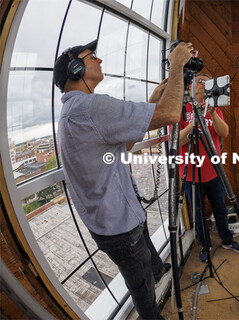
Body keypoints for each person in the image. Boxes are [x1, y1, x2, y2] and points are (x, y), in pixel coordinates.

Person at [53, 39, 193, 320]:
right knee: (140, 285)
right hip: (118, 227)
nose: (100, 61)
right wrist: (177, 65)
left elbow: (126, 143)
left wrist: (152, 100)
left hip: (118, 218)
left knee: (147, 262)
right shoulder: (90, 107)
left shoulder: (74, 112)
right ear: (76, 68)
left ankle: (158, 272)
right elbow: (169, 114)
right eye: (92, 57)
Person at [178, 73, 239, 262]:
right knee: (198, 214)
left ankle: (227, 240)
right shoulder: (182, 109)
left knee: (220, 209)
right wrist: (194, 122)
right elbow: (178, 141)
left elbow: (224, 133)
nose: (201, 95)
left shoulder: (214, 109)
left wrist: (213, 113)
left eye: (205, 90)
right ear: (191, 88)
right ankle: (205, 245)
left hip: (214, 172)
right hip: (191, 175)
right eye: (198, 90)